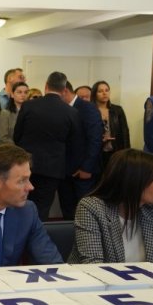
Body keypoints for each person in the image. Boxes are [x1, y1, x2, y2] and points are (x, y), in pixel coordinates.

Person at [68, 149, 153, 264]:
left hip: (147, 276)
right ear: (134, 181)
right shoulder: (92, 208)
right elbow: (93, 266)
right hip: (98, 276)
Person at [14, 71, 82, 221]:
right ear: (64, 90)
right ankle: (36, 233)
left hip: (26, 164)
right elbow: (74, 144)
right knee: (42, 207)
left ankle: (19, 233)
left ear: (46, 86)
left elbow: (17, 136)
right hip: (53, 168)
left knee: (20, 203)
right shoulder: (71, 112)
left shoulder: (28, 106)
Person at [58, 80, 103, 220]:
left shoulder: (87, 108)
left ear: (65, 91)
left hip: (83, 172)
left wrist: (86, 168)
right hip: (65, 171)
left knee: (85, 212)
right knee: (68, 210)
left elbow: (95, 139)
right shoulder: (62, 109)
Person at [91, 80, 130, 173]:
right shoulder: (90, 110)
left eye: (107, 90)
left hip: (115, 150)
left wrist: (127, 153)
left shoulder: (117, 110)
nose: (104, 93)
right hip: (97, 152)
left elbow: (125, 132)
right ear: (94, 94)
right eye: (100, 91)